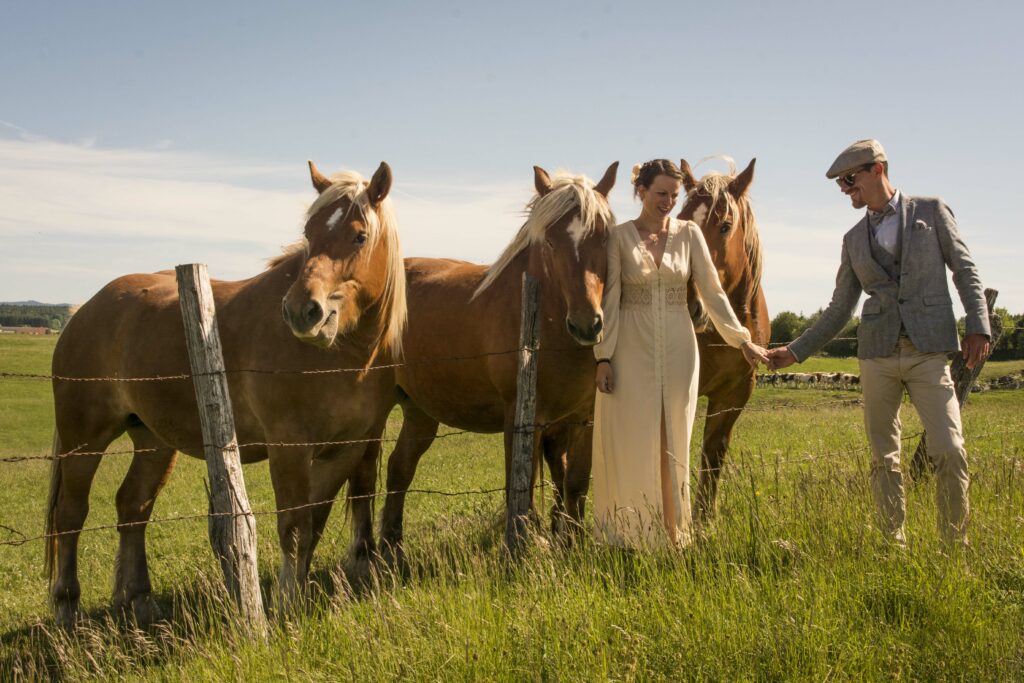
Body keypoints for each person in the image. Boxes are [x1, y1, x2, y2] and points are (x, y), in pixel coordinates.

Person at [767, 139, 990, 547]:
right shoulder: (852, 240)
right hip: (876, 355)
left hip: (928, 353)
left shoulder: (931, 211)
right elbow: (838, 310)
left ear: (878, 169)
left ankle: (954, 549)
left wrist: (979, 324)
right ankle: (894, 545)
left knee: (950, 448)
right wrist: (795, 351)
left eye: (850, 179)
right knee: (884, 458)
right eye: (840, 184)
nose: (845, 189)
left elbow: (966, 270)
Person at [592, 159, 768, 548]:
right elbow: (612, 298)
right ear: (641, 191)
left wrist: (743, 339)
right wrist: (603, 356)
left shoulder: (689, 234)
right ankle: (625, 535)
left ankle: (672, 534)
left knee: (673, 438)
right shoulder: (619, 237)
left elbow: (713, 292)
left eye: (674, 195)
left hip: (678, 345)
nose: (668, 201)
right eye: (661, 194)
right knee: (631, 436)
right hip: (630, 346)